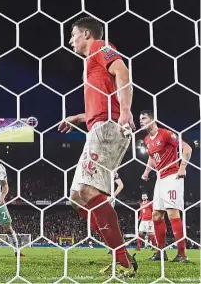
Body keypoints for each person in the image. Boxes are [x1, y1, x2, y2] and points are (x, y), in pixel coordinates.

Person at [59, 16, 136, 278]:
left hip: (108, 128)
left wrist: (125, 111)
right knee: (77, 197)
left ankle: (123, 259)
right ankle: (121, 254)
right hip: (97, 127)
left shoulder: (101, 48)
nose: (70, 41)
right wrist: (77, 118)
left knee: (86, 189)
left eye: (73, 35)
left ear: (88, 34)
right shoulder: (90, 64)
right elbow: (102, 102)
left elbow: (123, 72)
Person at [140, 110, 192, 263]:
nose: (141, 121)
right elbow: (151, 157)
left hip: (172, 176)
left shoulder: (166, 134)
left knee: (172, 214)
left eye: (144, 118)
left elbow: (187, 148)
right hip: (160, 179)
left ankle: (182, 254)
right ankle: (160, 252)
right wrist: (146, 172)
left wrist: (183, 167)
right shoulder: (147, 139)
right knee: (156, 215)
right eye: (140, 119)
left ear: (152, 119)